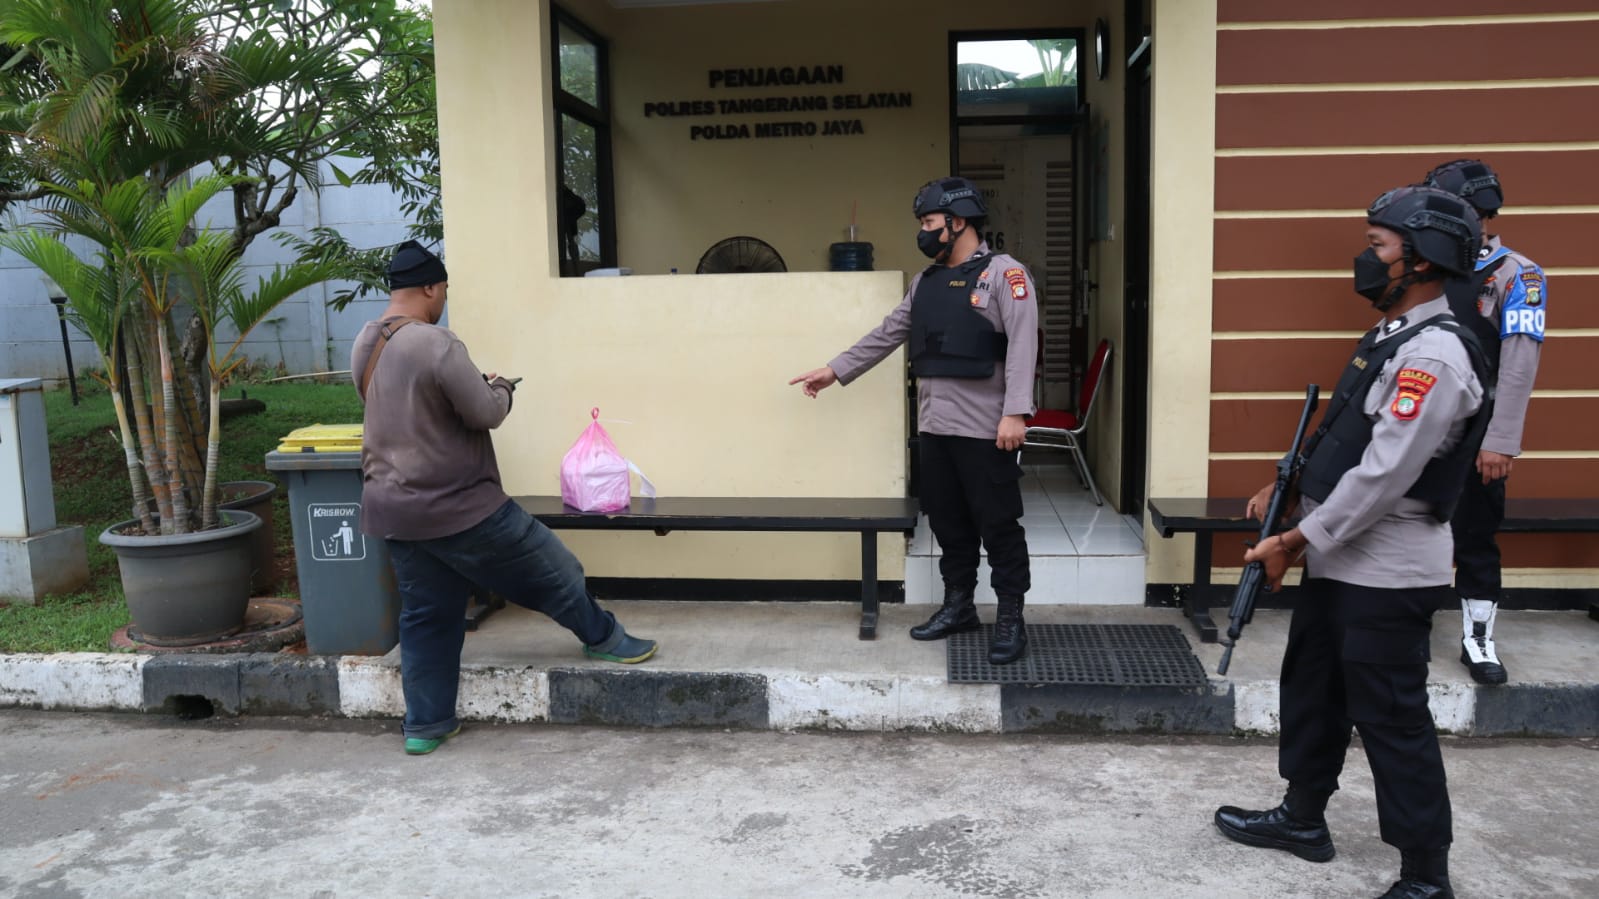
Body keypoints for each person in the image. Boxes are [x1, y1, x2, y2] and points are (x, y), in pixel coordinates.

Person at [1213, 186, 1491, 899]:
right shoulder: (1390, 338)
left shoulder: (1435, 357)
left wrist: (1294, 538)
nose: (1364, 260)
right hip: (1340, 559)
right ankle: (1302, 818)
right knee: (1313, 691)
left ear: (1423, 259)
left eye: (1377, 246)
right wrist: (1291, 499)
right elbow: (1346, 442)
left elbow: (1385, 474)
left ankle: (1425, 873)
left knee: (1392, 720)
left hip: (1387, 573)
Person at [354, 240, 657, 756]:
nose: (442, 299)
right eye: (442, 289)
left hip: (394, 508)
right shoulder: (436, 342)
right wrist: (500, 387)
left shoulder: (366, 341)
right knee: (555, 568)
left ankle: (426, 725)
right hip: (460, 506)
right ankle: (605, 638)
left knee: (427, 615)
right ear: (430, 287)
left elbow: (404, 406)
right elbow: (486, 413)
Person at [789, 177, 1039, 664]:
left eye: (928, 223)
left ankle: (1011, 615)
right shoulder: (924, 282)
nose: (923, 232)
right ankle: (959, 606)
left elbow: (1024, 344)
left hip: (988, 431)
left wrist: (1016, 412)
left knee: (999, 526)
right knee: (948, 525)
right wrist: (835, 369)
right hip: (935, 430)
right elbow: (889, 333)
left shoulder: (1005, 275)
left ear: (957, 222)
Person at [1422, 159, 1546, 686]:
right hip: (1418, 426)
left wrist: (1501, 441)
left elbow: (1519, 363)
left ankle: (1478, 638)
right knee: (1411, 528)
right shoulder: (1426, 265)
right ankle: (1406, 625)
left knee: (1474, 535)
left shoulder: (1518, 274)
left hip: (1478, 434)